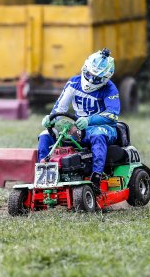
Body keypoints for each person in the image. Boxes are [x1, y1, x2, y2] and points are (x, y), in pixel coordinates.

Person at [38, 48, 120, 192]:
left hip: (103, 127)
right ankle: (44, 177)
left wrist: (89, 120)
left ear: (105, 78)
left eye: (96, 78)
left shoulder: (110, 89)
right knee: (45, 135)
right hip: (77, 126)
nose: (90, 79)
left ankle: (96, 177)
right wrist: (50, 118)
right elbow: (60, 108)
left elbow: (113, 115)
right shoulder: (73, 83)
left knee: (97, 135)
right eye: (88, 74)